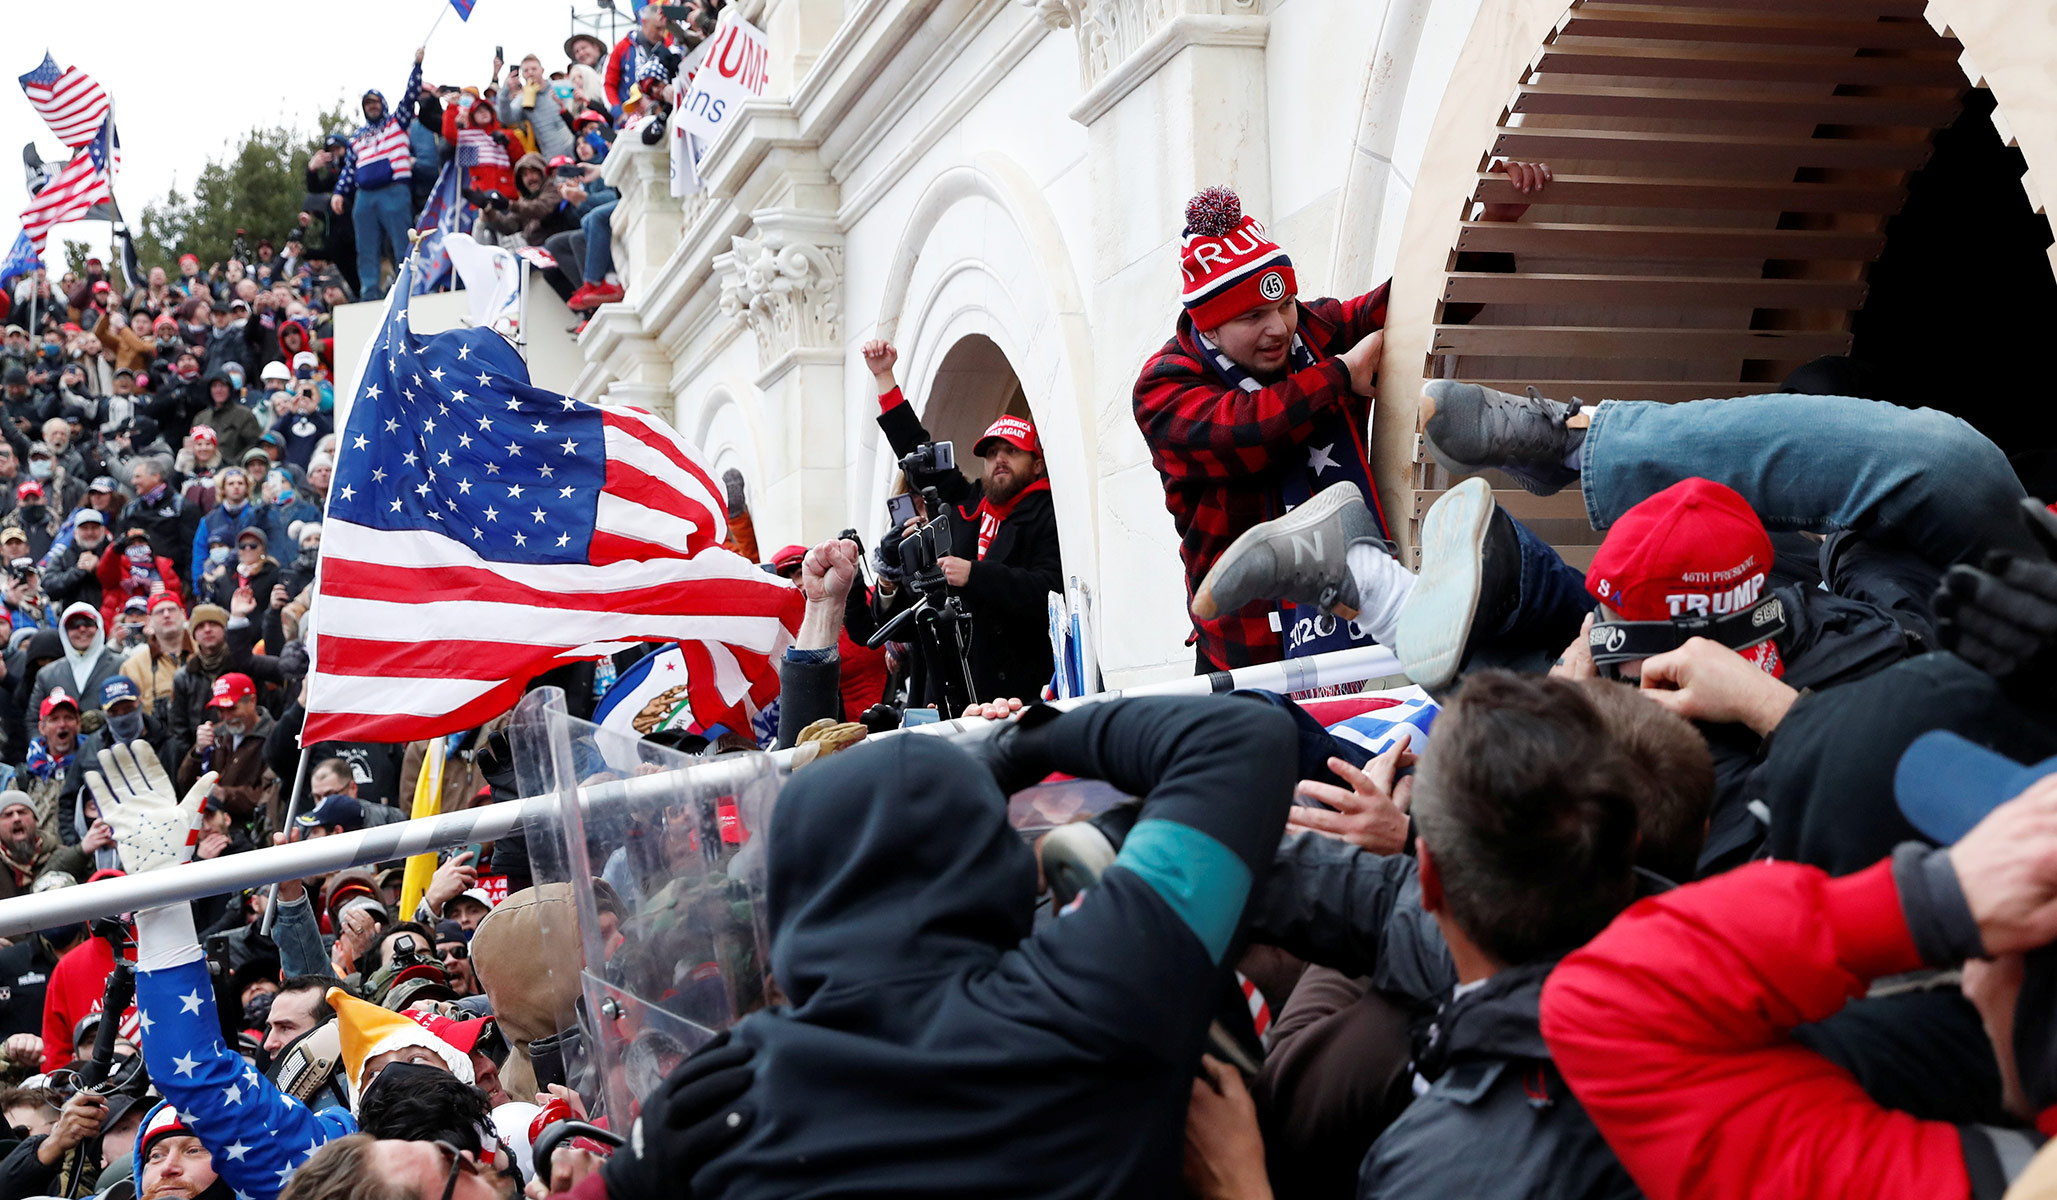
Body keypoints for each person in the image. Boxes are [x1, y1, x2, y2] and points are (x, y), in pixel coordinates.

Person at [682, 694, 1297, 1196]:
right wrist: (1023, 746)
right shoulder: (1083, 992)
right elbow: (1243, 735)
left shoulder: (733, 1095)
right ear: (985, 860)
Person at [1135, 170, 1550, 673]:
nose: (1278, 329)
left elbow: (1418, 310)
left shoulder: (1314, 329)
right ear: (1209, 326)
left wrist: (1495, 221)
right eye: (1251, 318)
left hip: (1366, 632)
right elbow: (1244, 430)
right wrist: (1339, 375)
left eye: (1284, 304)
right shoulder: (1162, 386)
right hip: (1249, 656)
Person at [859, 340, 1063, 708]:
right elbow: (917, 454)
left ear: (1036, 465)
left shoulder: (1047, 513)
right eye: (991, 453)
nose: (998, 460)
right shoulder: (971, 504)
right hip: (962, 694)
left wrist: (973, 574)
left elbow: (1049, 589)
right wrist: (884, 378)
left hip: (1021, 695)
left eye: (1011, 451)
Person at [333, 48, 428, 301]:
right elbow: (348, 170)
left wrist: (417, 66)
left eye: (375, 102)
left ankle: (408, 287)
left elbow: (410, 96)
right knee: (366, 248)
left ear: (383, 104)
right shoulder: (357, 137)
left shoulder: (397, 122)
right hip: (365, 195)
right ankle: (370, 293)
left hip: (394, 189)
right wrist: (339, 193)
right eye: (367, 104)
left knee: (401, 241)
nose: (371, 107)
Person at [176, 672, 276, 824]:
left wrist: (224, 794)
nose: (227, 717)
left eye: (232, 709)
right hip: (210, 826)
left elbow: (269, 796)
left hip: (248, 830)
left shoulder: (274, 737)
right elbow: (184, 783)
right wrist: (198, 752)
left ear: (252, 701)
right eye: (221, 711)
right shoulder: (216, 733)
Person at [28, 601, 117, 722]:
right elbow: (33, 720)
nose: (82, 629)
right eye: (74, 625)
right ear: (64, 632)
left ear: (98, 627)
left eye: (88, 623)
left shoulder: (122, 665)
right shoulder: (47, 674)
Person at [18, 692, 84, 847]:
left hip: (84, 857)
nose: (62, 724)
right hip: (39, 860)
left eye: (68, 717)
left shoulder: (93, 766)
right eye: (54, 719)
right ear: (42, 727)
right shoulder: (25, 776)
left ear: (78, 724)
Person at [0, 792, 87, 900]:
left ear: (36, 820)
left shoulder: (62, 855)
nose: (16, 818)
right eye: (8, 815)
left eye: (22, 812)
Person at [496, 56, 576, 166]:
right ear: (522, 75)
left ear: (542, 70)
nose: (530, 73)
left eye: (534, 69)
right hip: (553, 159)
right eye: (526, 70)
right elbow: (507, 119)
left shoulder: (561, 86)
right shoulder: (523, 99)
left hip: (577, 150)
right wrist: (505, 92)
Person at [119, 459, 198, 571]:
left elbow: (191, 549)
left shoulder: (182, 507)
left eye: (138, 477)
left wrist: (187, 583)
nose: (133, 482)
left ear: (156, 476)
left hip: (173, 579)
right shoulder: (130, 509)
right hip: (136, 580)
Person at [189, 372, 262, 463]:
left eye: (223, 386)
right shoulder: (201, 417)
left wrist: (234, 463)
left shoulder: (244, 415)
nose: (218, 390)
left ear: (230, 389)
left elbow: (253, 444)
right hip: (204, 470)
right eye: (214, 386)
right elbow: (192, 445)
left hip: (234, 471)